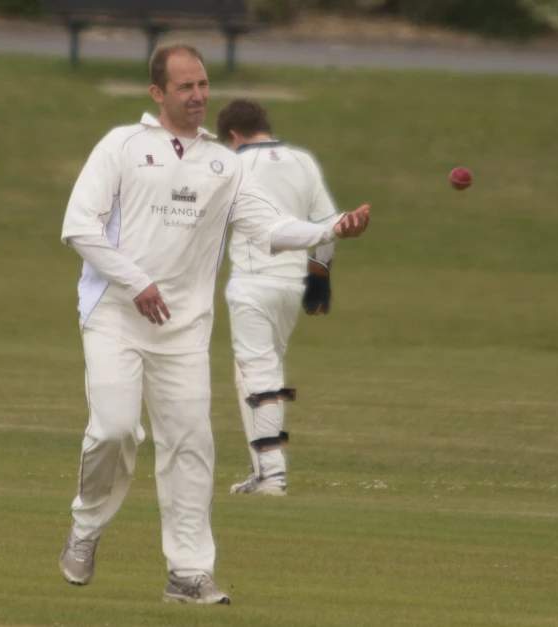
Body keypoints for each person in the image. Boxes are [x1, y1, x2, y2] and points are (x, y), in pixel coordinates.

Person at [58, 43, 370, 606]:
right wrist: (137, 282)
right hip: (115, 315)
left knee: (191, 445)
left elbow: (270, 227)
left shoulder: (224, 164)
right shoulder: (123, 146)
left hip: (183, 330)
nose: (199, 95)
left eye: (202, 84)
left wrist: (332, 229)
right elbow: (79, 227)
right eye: (185, 87)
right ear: (158, 93)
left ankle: (188, 574)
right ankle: (84, 529)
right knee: (115, 429)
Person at [216, 98, 340, 497]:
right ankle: (262, 470)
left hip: (253, 281)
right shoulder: (302, 160)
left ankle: (273, 475)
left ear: (233, 135)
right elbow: (328, 224)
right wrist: (320, 275)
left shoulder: (235, 165)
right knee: (255, 374)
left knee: (259, 374)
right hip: (292, 286)